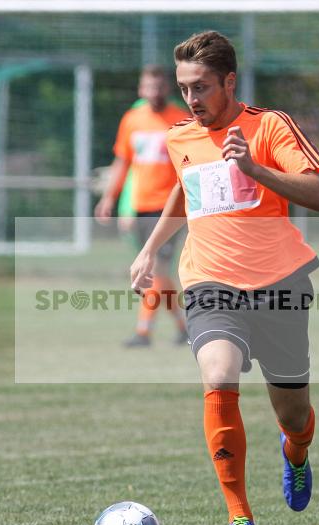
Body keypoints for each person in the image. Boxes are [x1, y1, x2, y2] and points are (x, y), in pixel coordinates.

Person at [129, 31, 319, 525]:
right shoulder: (180, 137)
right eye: (185, 88)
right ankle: (239, 515)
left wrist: (254, 168)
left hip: (280, 284)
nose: (191, 100)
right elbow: (184, 187)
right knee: (217, 374)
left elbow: (318, 193)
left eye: (202, 88)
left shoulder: (269, 126)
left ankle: (298, 451)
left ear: (229, 82)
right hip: (211, 281)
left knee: (292, 414)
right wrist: (150, 249)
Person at [95, 66, 190, 347]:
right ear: (141, 89)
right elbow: (123, 161)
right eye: (149, 87)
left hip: (170, 207)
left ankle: (144, 331)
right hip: (140, 206)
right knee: (156, 273)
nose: (154, 92)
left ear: (168, 88)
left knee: (156, 270)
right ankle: (184, 327)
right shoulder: (132, 119)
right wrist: (110, 197)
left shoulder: (182, 120)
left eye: (159, 87)